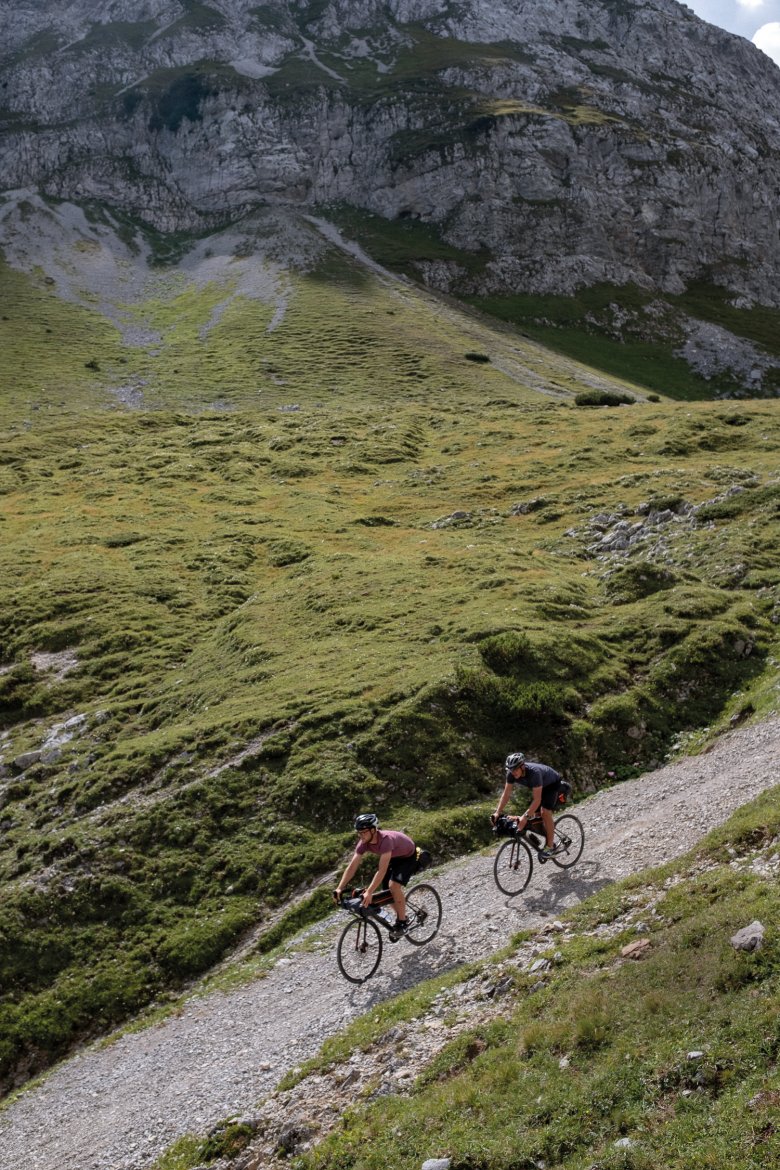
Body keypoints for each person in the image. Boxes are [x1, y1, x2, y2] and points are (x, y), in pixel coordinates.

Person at [333, 813, 418, 940]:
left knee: (393, 886)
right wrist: (339, 888)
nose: (361, 835)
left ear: (373, 830)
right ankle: (402, 915)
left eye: (363, 832)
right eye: (359, 833)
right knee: (387, 892)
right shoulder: (364, 842)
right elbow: (352, 866)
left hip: (408, 857)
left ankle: (402, 921)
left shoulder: (385, 840)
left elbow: (381, 870)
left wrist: (369, 892)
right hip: (393, 857)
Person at [491, 752, 565, 861]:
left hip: (552, 784)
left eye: (515, 769)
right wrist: (497, 812)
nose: (513, 772)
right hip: (539, 786)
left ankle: (550, 847)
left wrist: (524, 817)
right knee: (535, 817)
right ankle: (548, 837)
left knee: (544, 812)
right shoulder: (511, 774)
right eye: (511, 769)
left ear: (522, 766)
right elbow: (506, 795)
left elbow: (537, 799)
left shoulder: (534, 773)